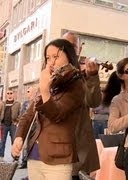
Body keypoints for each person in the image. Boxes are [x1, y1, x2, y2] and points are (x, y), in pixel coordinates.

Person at [11, 38, 86, 179]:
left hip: (59, 158)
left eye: (56, 57)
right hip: (35, 153)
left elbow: (57, 114)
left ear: (69, 57)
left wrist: (45, 91)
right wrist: (19, 137)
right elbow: (28, 116)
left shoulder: (76, 84)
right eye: (48, 58)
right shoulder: (51, 82)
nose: (51, 62)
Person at [63, 31, 101, 179]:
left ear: (80, 49)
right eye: (66, 45)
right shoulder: (50, 68)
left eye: (73, 46)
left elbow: (93, 102)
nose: (69, 49)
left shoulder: (85, 73)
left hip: (78, 138)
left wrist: (92, 77)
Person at [18, 86, 39, 169]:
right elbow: (23, 114)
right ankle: (24, 161)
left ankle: (30, 159)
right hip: (28, 127)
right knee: (25, 144)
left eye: (29, 91)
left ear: (34, 92)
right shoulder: (25, 103)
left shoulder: (38, 101)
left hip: (36, 127)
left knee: (32, 144)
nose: (27, 93)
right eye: (27, 91)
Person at [0, 89, 21, 161]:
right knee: (2, 141)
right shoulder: (3, 103)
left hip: (13, 125)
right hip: (4, 125)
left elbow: (20, 113)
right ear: (6, 95)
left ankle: (15, 157)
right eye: (8, 93)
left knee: (14, 142)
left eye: (11, 93)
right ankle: (1, 157)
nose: (9, 95)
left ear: (13, 94)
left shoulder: (17, 103)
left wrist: (17, 121)